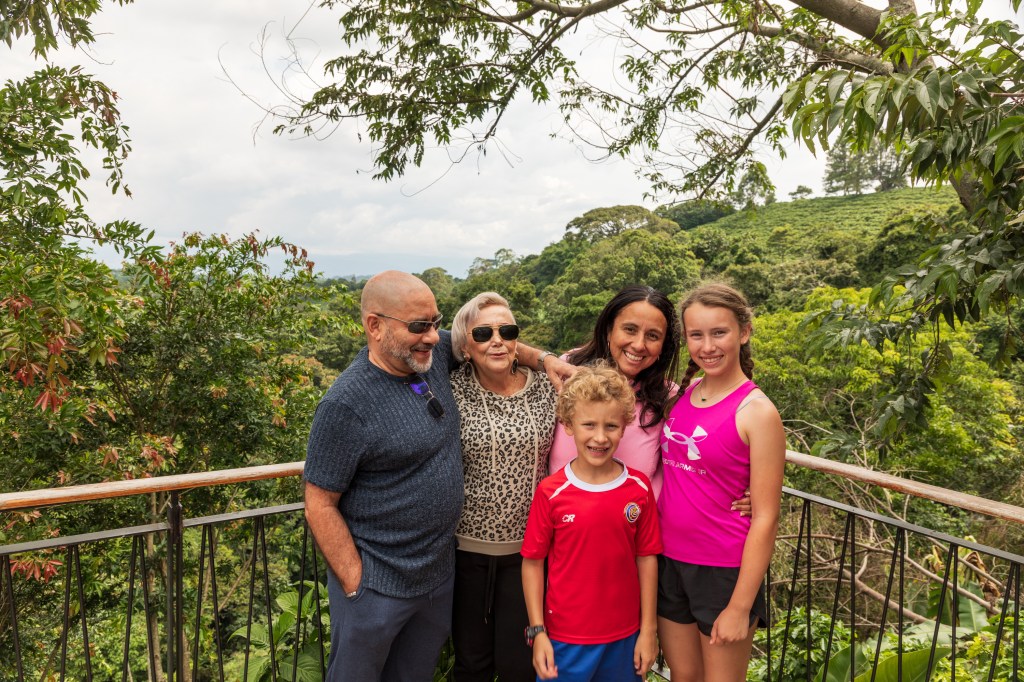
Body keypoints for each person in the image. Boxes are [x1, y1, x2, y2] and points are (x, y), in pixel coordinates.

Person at [303, 271, 570, 682]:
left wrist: (548, 360)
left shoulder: (429, 355)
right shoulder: (345, 404)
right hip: (377, 585)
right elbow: (319, 503)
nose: (431, 336)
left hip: (438, 578)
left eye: (435, 322)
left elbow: (493, 339)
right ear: (375, 326)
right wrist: (356, 583)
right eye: (419, 325)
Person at [657, 283, 786, 682]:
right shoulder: (685, 393)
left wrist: (740, 607)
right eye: (696, 335)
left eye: (719, 332)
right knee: (683, 675)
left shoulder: (757, 411)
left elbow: (765, 517)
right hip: (669, 560)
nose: (708, 346)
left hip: (723, 570)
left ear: (743, 332)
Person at [521, 363, 662, 682]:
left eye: (611, 426)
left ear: (624, 426)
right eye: (588, 425)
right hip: (565, 639)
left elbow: (646, 558)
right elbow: (532, 563)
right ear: (569, 425)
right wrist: (537, 632)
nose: (600, 437)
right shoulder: (551, 492)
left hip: (626, 637)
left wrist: (648, 630)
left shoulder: (638, 488)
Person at [448, 292, 558, 682]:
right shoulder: (450, 390)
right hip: (465, 553)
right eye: (483, 333)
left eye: (506, 331)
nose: (497, 340)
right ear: (464, 346)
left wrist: (546, 359)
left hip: (530, 553)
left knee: (520, 666)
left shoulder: (547, 386)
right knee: (472, 665)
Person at [547, 285, 680, 498]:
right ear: (609, 330)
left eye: (653, 336)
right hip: (562, 516)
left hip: (637, 518)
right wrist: (541, 357)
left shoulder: (670, 398)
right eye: (630, 329)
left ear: (664, 345)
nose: (639, 344)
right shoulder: (567, 370)